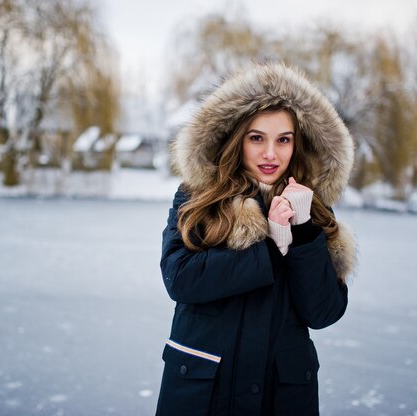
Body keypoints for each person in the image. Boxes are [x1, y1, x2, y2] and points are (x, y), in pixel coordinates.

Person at [155, 62, 357, 416]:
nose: (270, 154)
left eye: (283, 140)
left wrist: (303, 231)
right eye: (257, 138)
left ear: (298, 145)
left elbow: (323, 311)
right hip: (203, 393)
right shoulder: (198, 198)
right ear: (237, 139)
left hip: (280, 398)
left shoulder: (313, 211)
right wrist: (271, 250)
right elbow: (181, 278)